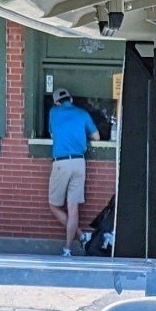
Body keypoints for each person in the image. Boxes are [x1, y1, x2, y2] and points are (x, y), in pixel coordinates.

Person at [45, 89, 99, 254]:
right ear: (71, 99)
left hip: (61, 163)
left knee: (54, 205)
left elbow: (53, 134)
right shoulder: (82, 113)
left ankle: (80, 236)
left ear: (57, 102)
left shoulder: (53, 112)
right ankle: (70, 247)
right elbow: (96, 137)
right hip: (79, 162)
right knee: (73, 207)